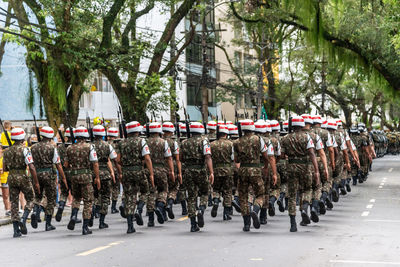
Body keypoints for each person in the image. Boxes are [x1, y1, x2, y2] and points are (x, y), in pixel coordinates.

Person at [233, 119, 277, 232]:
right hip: (256, 170)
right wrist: (267, 167)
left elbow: (236, 159)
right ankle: (256, 209)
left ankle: (246, 224)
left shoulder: (236, 142)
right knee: (260, 194)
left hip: (243, 170)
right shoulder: (259, 139)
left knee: (243, 197)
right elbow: (266, 155)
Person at [280, 116, 320, 232]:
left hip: (291, 167)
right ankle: (304, 208)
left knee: (292, 195)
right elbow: (312, 153)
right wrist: (316, 170)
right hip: (305, 167)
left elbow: (282, 155)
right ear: (302, 125)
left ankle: (293, 224)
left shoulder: (285, 138)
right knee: (307, 190)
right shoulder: (307, 137)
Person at [117, 121, 153, 234]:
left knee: (129, 197)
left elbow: (117, 160)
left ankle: (130, 226)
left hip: (126, 172)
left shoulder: (122, 143)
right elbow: (147, 158)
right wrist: (151, 173)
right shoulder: (141, 141)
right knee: (145, 191)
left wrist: (125, 166)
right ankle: (139, 209)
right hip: (138, 170)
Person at [3, 128, 40, 238]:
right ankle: (23, 218)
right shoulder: (25, 150)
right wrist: (36, 182)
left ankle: (16, 230)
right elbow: (31, 167)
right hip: (22, 176)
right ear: (22, 138)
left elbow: (5, 168)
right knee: (32, 198)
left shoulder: (7, 151)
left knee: (13, 202)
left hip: (11, 177)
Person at [30, 126, 68, 231]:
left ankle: (35, 212)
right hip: (49, 174)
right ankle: (48, 223)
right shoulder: (52, 148)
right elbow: (58, 164)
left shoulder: (33, 147)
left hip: (37, 174)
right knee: (51, 199)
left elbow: (30, 163)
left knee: (37, 196)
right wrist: (63, 178)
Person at [64, 126, 100, 235]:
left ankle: (74, 215)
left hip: (74, 176)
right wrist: (97, 177)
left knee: (76, 198)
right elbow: (95, 163)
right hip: (86, 176)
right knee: (88, 201)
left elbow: (66, 164)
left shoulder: (69, 148)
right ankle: (85, 227)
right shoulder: (90, 147)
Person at [180, 122, 214, 232]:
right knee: (205, 192)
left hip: (188, 171)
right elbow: (208, 156)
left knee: (191, 197)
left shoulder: (184, 142)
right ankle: (201, 209)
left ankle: (193, 224)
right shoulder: (204, 141)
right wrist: (211, 172)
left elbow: (181, 158)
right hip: (200, 169)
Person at [91, 125, 121, 229]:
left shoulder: (89, 145)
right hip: (105, 173)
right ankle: (101, 221)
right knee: (105, 197)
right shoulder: (107, 146)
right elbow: (113, 159)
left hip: (92, 173)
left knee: (94, 195)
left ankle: (93, 211)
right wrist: (113, 172)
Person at [210, 124, 235, 221]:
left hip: (215, 169)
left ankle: (216, 201)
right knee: (227, 191)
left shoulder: (212, 144)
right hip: (227, 169)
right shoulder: (230, 144)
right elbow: (233, 158)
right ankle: (226, 213)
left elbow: (209, 158)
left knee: (216, 189)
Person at [162, 122, 182, 220]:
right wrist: (179, 172)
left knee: (162, 190)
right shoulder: (174, 142)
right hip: (172, 166)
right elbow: (177, 159)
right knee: (174, 188)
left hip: (161, 167)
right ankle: (170, 203)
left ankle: (163, 213)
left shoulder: (160, 141)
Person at [107, 127, 121, 214]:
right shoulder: (117, 144)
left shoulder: (105, 144)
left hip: (104, 169)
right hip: (115, 168)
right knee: (116, 187)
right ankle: (113, 207)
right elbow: (117, 159)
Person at [0, 145, 11, 216]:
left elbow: (8, 167)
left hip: (4, 178)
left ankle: (8, 210)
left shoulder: (4, 158)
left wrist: (2, 170)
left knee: (6, 195)